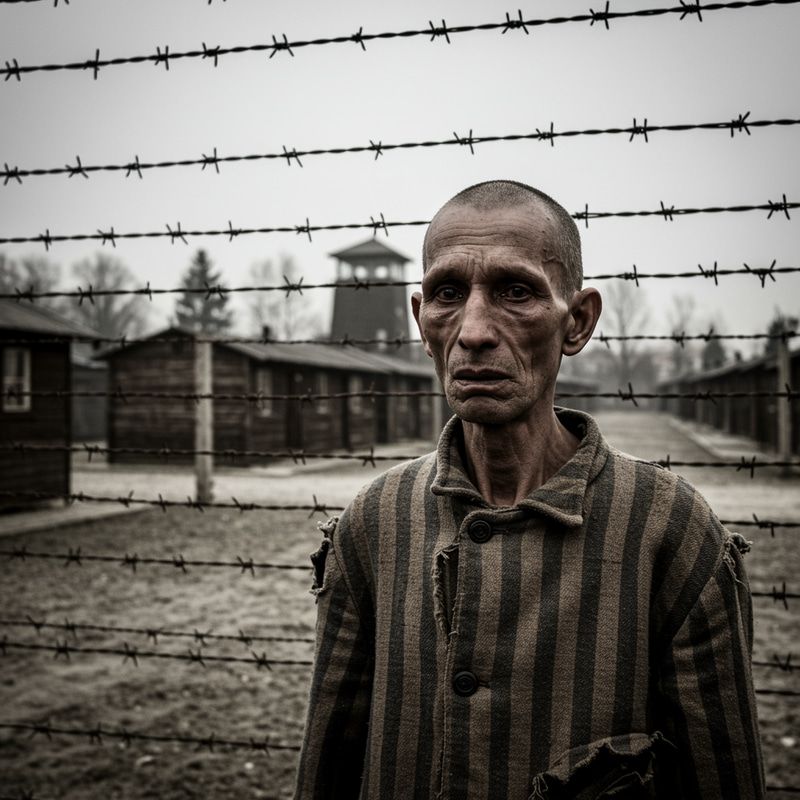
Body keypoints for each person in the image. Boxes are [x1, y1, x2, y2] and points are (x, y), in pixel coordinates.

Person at [293, 180, 765, 799]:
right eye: (447, 294)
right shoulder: (375, 522)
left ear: (578, 322)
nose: (473, 331)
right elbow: (327, 770)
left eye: (515, 292)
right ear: (420, 321)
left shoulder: (667, 533)